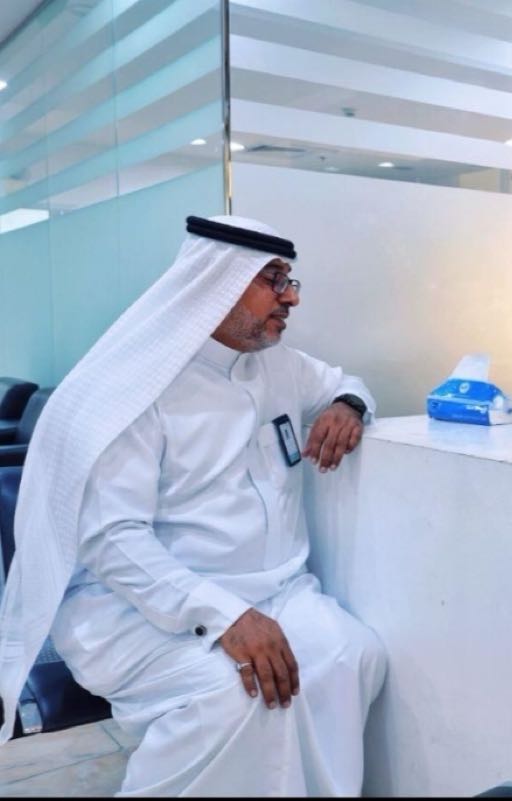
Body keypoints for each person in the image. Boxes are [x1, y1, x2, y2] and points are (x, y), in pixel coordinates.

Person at [0, 215, 387, 795]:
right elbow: (112, 540)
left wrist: (348, 405)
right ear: (217, 283)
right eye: (273, 280)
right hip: (132, 608)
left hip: (274, 591)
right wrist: (225, 616)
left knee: (350, 655)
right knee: (232, 693)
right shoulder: (141, 385)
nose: (292, 297)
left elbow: (344, 382)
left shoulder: (280, 363)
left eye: (290, 280)